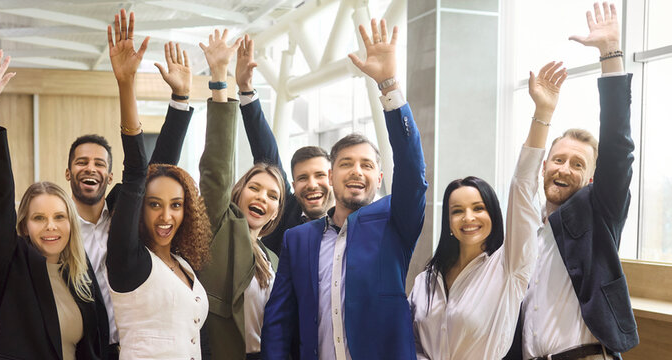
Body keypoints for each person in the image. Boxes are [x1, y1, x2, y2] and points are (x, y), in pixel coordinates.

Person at [261, 19, 428, 359]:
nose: (356, 171)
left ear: (379, 178)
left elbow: (412, 171)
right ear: (331, 175)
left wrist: (388, 86)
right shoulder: (299, 239)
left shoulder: (396, 221)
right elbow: (279, 322)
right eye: (346, 163)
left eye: (367, 165)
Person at [407, 61, 566, 359]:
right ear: (448, 222)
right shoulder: (425, 280)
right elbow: (411, 342)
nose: (468, 217)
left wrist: (542, 113)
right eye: (457, 211)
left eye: (478, 208)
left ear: (493, 214)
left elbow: (521, 189)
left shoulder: (509, 268)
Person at [517, 3, 639, 359]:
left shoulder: (597, 212)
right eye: (558, 160)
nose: (564, 169)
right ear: (543, 167)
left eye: (576, 164)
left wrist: (610, 54)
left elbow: (618, 148)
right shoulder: (525, 227)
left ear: (590, 179)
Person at [0, 51, 109, 359]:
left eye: (59, 217)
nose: (51, 226)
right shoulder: (10, 265)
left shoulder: (77, 270)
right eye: (39, 217)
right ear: (23, 225)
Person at [103, 9, 211, 359]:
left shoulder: (183, 263)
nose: (166, 215)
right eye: (154, 204)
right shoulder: (127, 259)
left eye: (176, 205)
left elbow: (161, 170)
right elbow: (138, 172)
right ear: (138, 208)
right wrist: (126, 84)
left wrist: (181, 99)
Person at [194, 30, 287, 360]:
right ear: (238, 193)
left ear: (277, 211)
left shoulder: (273, 260)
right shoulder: (222, 226)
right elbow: (216, 168)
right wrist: (220, 80)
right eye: (255, 187)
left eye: (273, 195)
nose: (263, 197)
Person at [234, 34, 334, 256]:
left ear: (333, 177)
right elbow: (265, 154)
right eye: (302, 178)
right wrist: (246, 90)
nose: (312, 184)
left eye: (320, 175)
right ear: (292, 184)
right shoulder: (285, 211)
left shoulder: (351, 220)